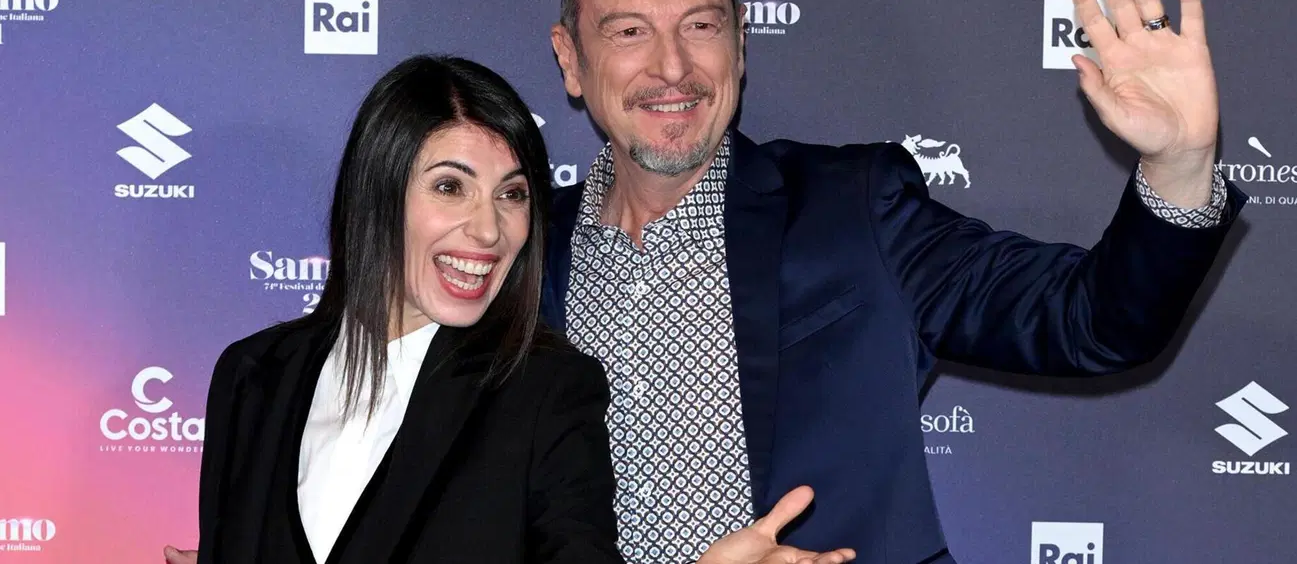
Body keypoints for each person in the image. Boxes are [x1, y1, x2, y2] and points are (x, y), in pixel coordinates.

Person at [534, 0, 1244, 564]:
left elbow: (1091, 321)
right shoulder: (519, 255)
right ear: (571, 59)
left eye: (701, 26)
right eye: (629, 31)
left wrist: (1178, 163)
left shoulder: (853, 210)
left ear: (740, 43)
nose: (672, 67)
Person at [171, 55, 857, 564]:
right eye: (450, 187)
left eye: (513, 194)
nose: (488, 230)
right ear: (376, 193)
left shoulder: (543, 391)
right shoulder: (253, 375)